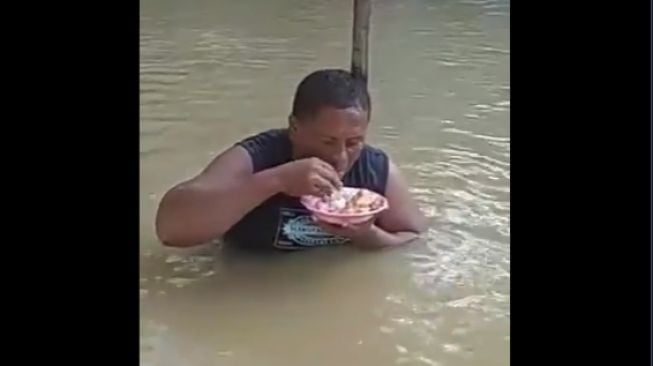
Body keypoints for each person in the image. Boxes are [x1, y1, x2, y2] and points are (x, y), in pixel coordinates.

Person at [155, 69, 427, 250]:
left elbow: (415, 239)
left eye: (354, 142)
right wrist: (276, 180)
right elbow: (170, 229)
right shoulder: (256, 158)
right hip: (247, 293)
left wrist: (368, 236)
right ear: (294, 128)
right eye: (327, 141)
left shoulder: (376, 170)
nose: (341, 157)